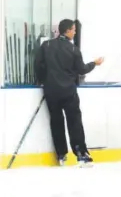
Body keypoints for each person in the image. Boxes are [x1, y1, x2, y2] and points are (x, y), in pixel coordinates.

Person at [33, 19, 104, 166]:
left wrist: (42, 80)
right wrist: (94, 64)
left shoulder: (46, 45)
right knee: (74, 121)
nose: (75, 32)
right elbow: (82, 69)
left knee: (56, 121)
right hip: (68, 92)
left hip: (51, 91)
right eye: (73, 29)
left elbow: (38, 65)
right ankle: (81, 153)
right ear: (67, 31)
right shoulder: (73, 50)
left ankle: (61, 155)